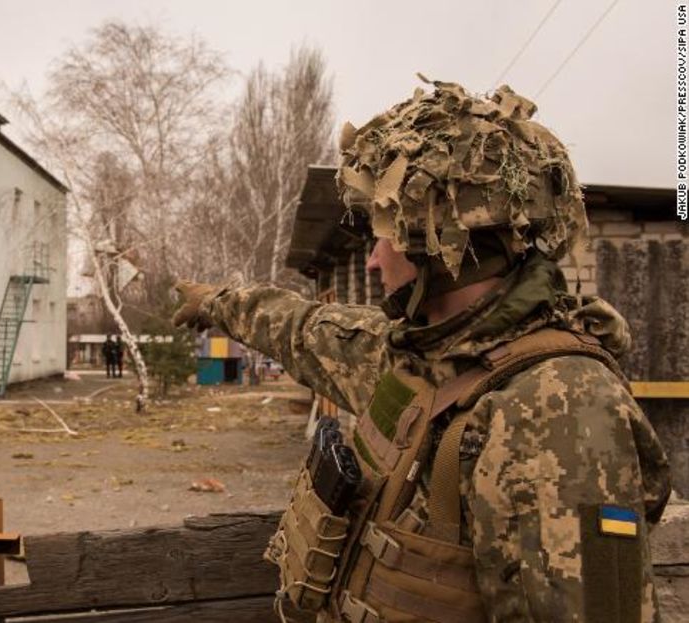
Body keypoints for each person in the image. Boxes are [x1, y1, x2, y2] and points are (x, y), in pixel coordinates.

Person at [174, 79, 670, 622]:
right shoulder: (421, 357)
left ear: (432, 245)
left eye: (382, 236)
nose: (371, 261)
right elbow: (304, 328)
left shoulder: (558, 409)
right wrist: (216, 302)